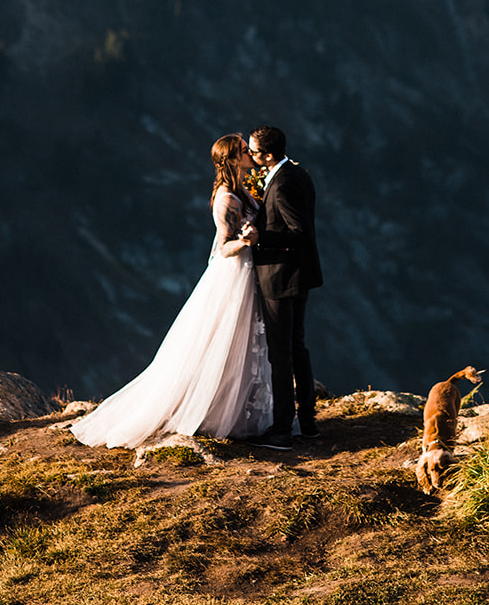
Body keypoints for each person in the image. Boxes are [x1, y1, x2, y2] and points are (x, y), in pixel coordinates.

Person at [71, 135, 272, 448]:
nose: (250, 154)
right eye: (244, 151)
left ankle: (239, 411)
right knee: (223, 340)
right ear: (231, 159)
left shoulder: (242, 189)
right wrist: (246, 240)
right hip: (234, 275)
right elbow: (222, 247)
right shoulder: (226, 200)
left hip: (248, 274)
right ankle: (212, 412)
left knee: (242, 343)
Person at [248, 125, 323, 450]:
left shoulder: (281, 186)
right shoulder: (298, 174)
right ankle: (307, 423)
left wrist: (260, 236)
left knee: (281, 354)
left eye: (253, 152)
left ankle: (281, 430)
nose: (250, 156)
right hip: (299, 276)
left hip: (280, 278)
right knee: (297, 348)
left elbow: (298, 233)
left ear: (266, 155)